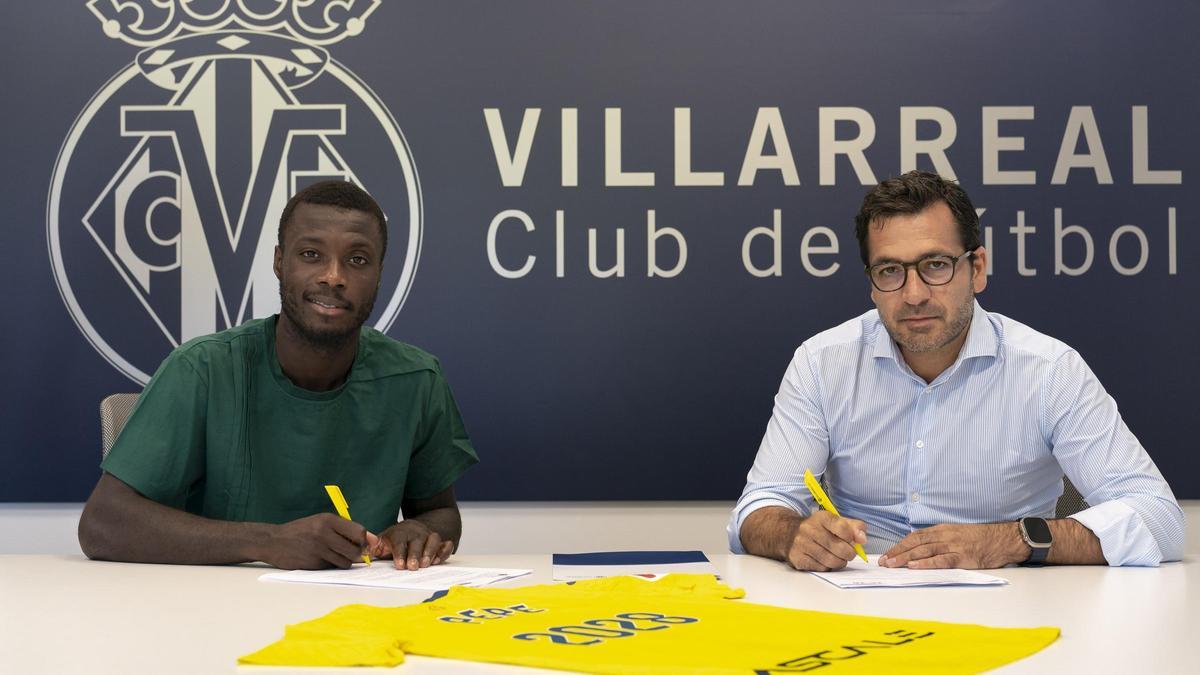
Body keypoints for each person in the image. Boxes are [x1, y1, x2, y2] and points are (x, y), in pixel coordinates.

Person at [728, 171, 1184, 570]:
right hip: (859, 606)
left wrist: (1009, 541)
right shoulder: (822, 363)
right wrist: (794, 535)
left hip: (1010, 604)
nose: (913, 294)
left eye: (935, 266)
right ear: (871, 283)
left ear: (977, 268)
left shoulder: (1048, 371)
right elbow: (759, 507)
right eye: (890, 271)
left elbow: (1159, 520)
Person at [79, 181, 478, 570]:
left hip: (358, 605)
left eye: (357, 260)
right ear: (278, 261)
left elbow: (440, 512)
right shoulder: (202, 370)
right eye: (311, 254)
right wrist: (268, 542)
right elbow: (102, 524)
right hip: (212, 603)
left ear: (378, 273)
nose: (333, 276)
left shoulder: (417, 379)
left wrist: (418, 530)